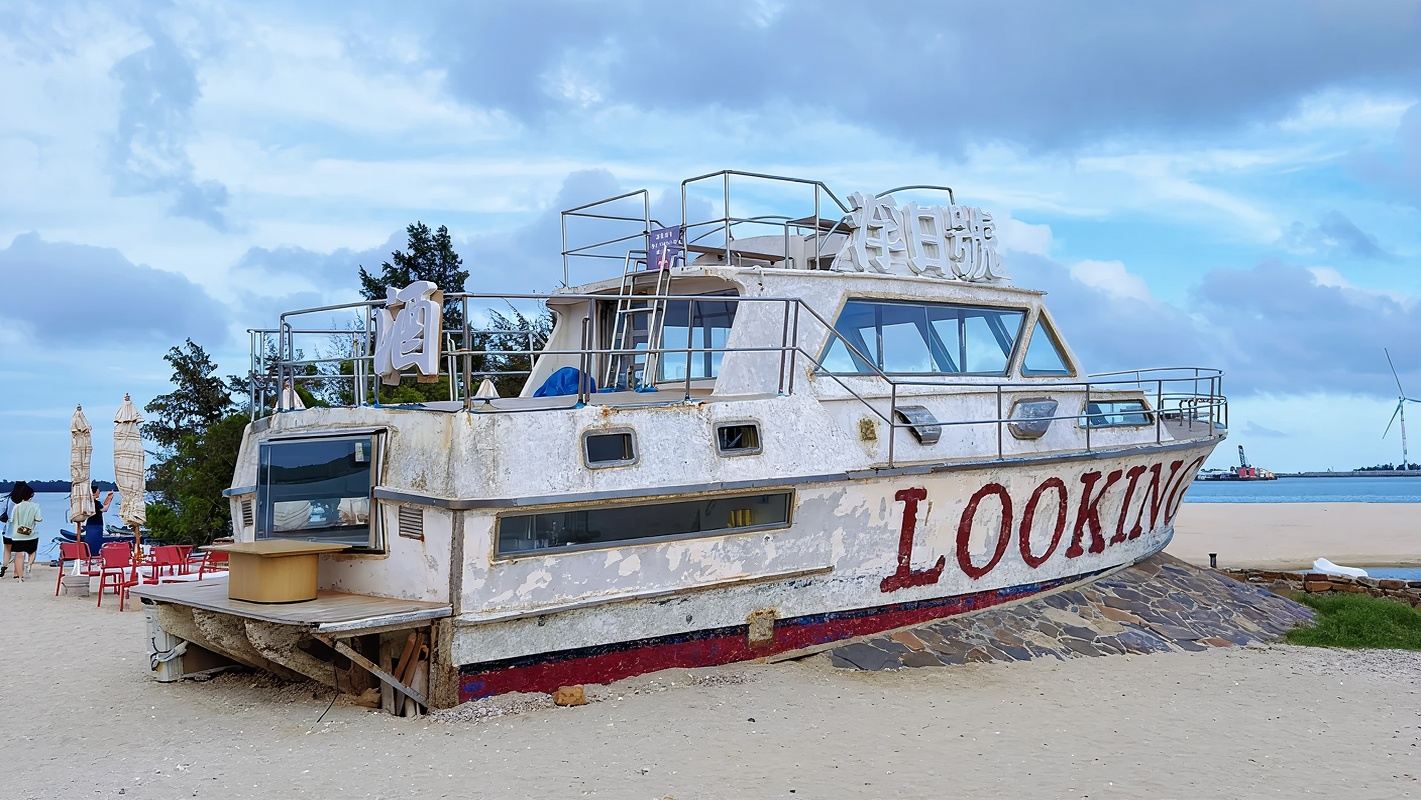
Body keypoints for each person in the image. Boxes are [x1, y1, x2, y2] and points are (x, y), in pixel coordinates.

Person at [6, 482, 41, 581]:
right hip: (30, 532)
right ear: (30, 496)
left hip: (17, 532)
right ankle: (29, 564)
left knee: (19, 554)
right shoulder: (35, 506)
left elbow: (12, 519)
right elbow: (38, 519)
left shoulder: (17, 506)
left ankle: (19, 577)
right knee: (32, 551)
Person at [84, 483, 116, 558]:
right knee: (96, 541)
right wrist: (110, 499)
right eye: (98, 491)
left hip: (90, 524)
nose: (99, 492)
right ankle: (95, 555)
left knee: (90, 541)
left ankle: (90, 554)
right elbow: (104, 509)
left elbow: (102, 506)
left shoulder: (90, 502)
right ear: (94, 492)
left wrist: (108, 498)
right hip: (96, 525)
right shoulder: (95, 502)